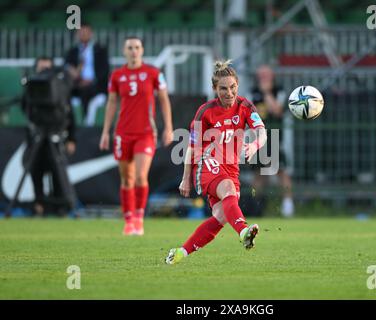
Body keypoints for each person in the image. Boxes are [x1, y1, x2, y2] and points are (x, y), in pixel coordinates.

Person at [165, 60, 267, 265]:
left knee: (221, 216)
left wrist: (255, 145)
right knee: (228, 189)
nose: (229, 93)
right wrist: (186, 178)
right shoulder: (205, 112)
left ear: (237, 85)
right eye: (223, 88)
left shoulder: (245, 105)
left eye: (232, 87)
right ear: (214, 89)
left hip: (231, 168)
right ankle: (244, 232)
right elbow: (192, 147)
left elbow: (261, 131)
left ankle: (179, 253)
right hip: (206, 164)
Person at [99, 36, 174, 236]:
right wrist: (106, 131)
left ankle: (139, 219)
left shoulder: (153, 73)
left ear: (142, 50)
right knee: (127, 179)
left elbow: (164, 100)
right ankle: (128, 220)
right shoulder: (117, 75)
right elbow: (112, 103)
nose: (133, 51)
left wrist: (168, 127)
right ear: (124, 52)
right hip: (123, 133)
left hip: (145, 133)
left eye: (137, 47)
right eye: (130, 48)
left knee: (141, 176)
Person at [23, 57, 77, 216]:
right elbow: (25, 109)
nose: (45, 74)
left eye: (48, 70)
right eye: (41, 70)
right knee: (35, 170)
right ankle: (39, 204)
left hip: (56, 136)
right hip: (37, 136)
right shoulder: (31, 88)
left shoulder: (60, 89)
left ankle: (61, 206)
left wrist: (72, 138)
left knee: (58, 171)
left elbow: (69, 115)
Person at [250, 64, 295, 218]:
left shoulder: (279, 91)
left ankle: (288, 205)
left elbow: (277, 110)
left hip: (275, 137)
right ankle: (255, 207)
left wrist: (266, 93)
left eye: (266, 75)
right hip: (257, 139)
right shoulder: (252, 92)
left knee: (281, 172)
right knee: (259, 175)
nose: (263, 78)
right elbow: (249, 114)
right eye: (261, 76)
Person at [65, 23, 110, 126]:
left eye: (86, 32)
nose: (83, 35)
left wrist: (91, 80)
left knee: (88, 93)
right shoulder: (73, 51)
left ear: (91, 33)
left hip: (96, 86)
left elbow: (104, 70)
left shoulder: (100, 50)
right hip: (77, 86)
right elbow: (67, 67)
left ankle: (88, 125)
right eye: (81, 32)